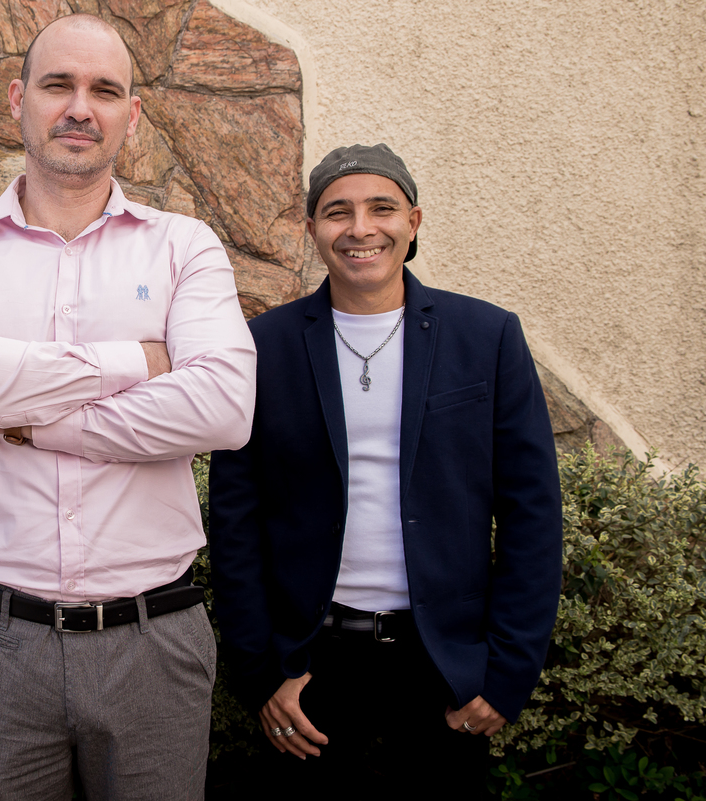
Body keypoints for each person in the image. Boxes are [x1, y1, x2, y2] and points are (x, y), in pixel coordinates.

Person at [0, 13, 256, 800]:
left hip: (154, 642)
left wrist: (37, 418)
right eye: (58, 84)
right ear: (17, 99)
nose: (80, 107)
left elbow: (224, 407)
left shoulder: (184, 247)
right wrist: (135, 363)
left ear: (133, 113)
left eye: (105, 90)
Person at [209, 143, 563, 797]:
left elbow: (532, 514)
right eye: (337, 211)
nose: (361, 228)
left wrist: (507, 673)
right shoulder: (263, 347)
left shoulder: (486, 337)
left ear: (413, 222)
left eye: (382, 208)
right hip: (310, 663)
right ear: (312, 228)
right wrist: (262, 674)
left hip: (444, 664)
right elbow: (236, 519)